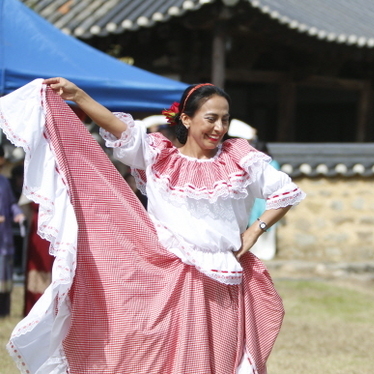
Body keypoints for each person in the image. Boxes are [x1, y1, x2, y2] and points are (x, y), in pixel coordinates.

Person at [2, 78, 305, 373]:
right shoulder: (160, 157)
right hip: (168, 279)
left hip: (222, 280)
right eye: (211, 118)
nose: (219, 128)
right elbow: (118, 127)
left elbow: (284, 192)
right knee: (159, 359)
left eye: (225, 119)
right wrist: (78, 95)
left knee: (221, 363)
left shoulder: (237, 158)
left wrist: (254, 231)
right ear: (185, 119)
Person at [0, 147, 25, 317]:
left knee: (4, 275)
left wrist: (18, 213)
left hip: (4, 239)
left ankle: (4, 312)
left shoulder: (4, 181)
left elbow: (11, 204)